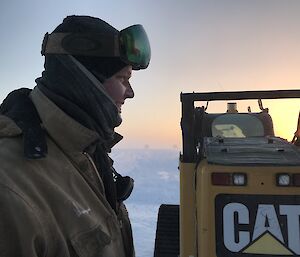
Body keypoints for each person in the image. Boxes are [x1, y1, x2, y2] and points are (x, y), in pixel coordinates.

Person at [0, 15, 151, 257]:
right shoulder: (11, 189)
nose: (130, 93)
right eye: (122, 79)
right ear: (82, 80)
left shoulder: (86, 152)